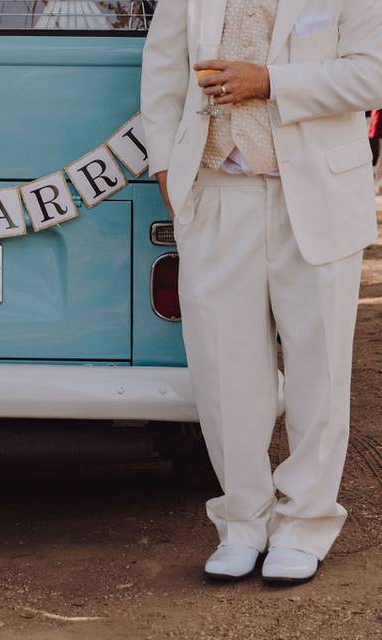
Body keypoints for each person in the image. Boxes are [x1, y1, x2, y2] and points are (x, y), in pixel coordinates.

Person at [141, 0, 382, 584]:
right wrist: (166, 168)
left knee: (317, 369)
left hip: (319, 195)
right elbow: (163, 71)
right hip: (219, 191)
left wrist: (272, 82)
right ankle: (242, 524)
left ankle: (304, 525)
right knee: (225, 371)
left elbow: (372, 71)